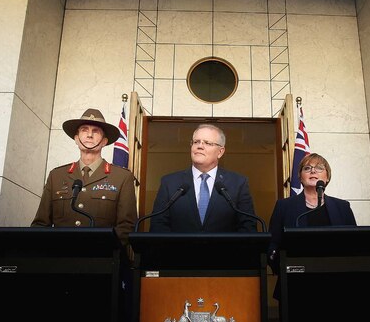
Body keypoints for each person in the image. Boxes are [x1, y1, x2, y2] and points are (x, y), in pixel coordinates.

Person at [31, 108, 138, 248]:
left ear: (104, 141)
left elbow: (126, 227)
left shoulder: (122, 177)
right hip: (60, 258)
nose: (89, 135)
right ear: (76, 139)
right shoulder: (56, 176)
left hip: (102, 260)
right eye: (84, 130)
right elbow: (40, 224)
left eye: (95, 131)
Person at [267, 152, 357, 293]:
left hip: (338, 281)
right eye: (307, 168)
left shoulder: (342, 207)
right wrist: (282, 268)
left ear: (327, 177)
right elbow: (273, 243)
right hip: (295, 282)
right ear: (300, 178)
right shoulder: (284, 206)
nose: (313, 171)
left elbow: (354, 243)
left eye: (319, 168)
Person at [149, 124, 257, 232]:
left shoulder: (238, 183)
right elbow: (158, 224)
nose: (200, 146)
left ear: (220, 152)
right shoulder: (169, 182)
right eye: (196, 142)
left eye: (207, 143)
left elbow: (248, 226)